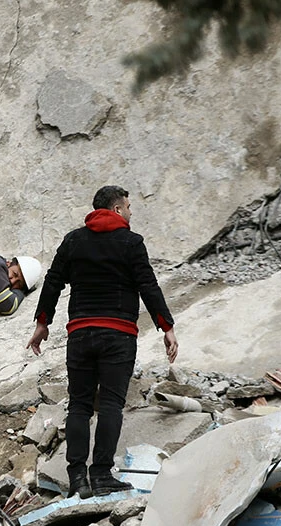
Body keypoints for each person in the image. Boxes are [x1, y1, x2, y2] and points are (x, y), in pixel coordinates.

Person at [27, 185, 178, 499]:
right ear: (118, 209)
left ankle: (77, 478)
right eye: (129, 206)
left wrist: (43, 323)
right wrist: (166, 327)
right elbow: (147, 285)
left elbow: (53, 280)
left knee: (80, 406)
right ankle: (101, 475)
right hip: (119, 334)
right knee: (110, 405)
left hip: (80, 333)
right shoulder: (131, 242)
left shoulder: (73, 241)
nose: (131, 213)